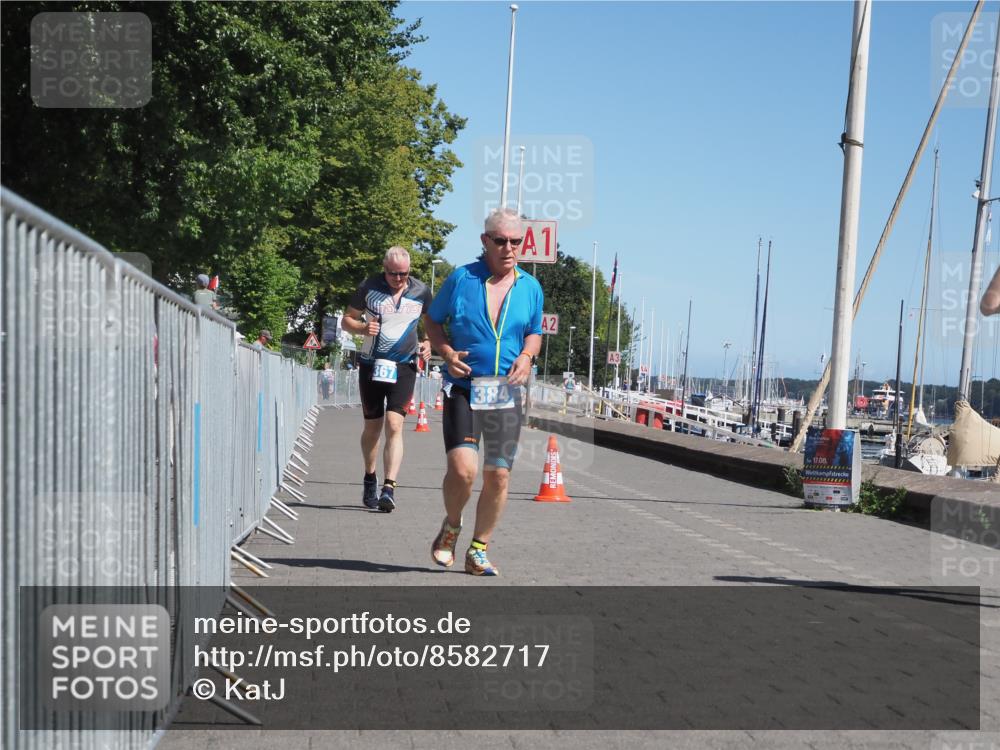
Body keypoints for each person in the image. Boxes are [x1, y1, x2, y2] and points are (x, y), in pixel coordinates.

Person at [424, 208, 543, 576]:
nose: (509, 249)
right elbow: (432, 320)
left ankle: (478, 549)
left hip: (506, 392)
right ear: (485, 241)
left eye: (515, 242)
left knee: (499, 475)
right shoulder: (461, 279)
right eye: (501, 241)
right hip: (464, 388)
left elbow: (534, 332)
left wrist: (527, 355)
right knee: (463, 471)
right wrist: (444, 351)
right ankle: (452, 525)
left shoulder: (530, 287)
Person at [342, 247, 432, 512]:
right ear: (384, 269)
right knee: (373, 427)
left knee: (395, 424)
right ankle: (370, 476)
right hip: (371, 364)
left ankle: (389, 488)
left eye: (403, 274)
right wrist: (361, 327)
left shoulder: (421, 291)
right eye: (393, 274)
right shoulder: (369, 286)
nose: (398, 279)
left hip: (404, 365)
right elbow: (347, 320)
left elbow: (432, 323)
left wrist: (428, 343)